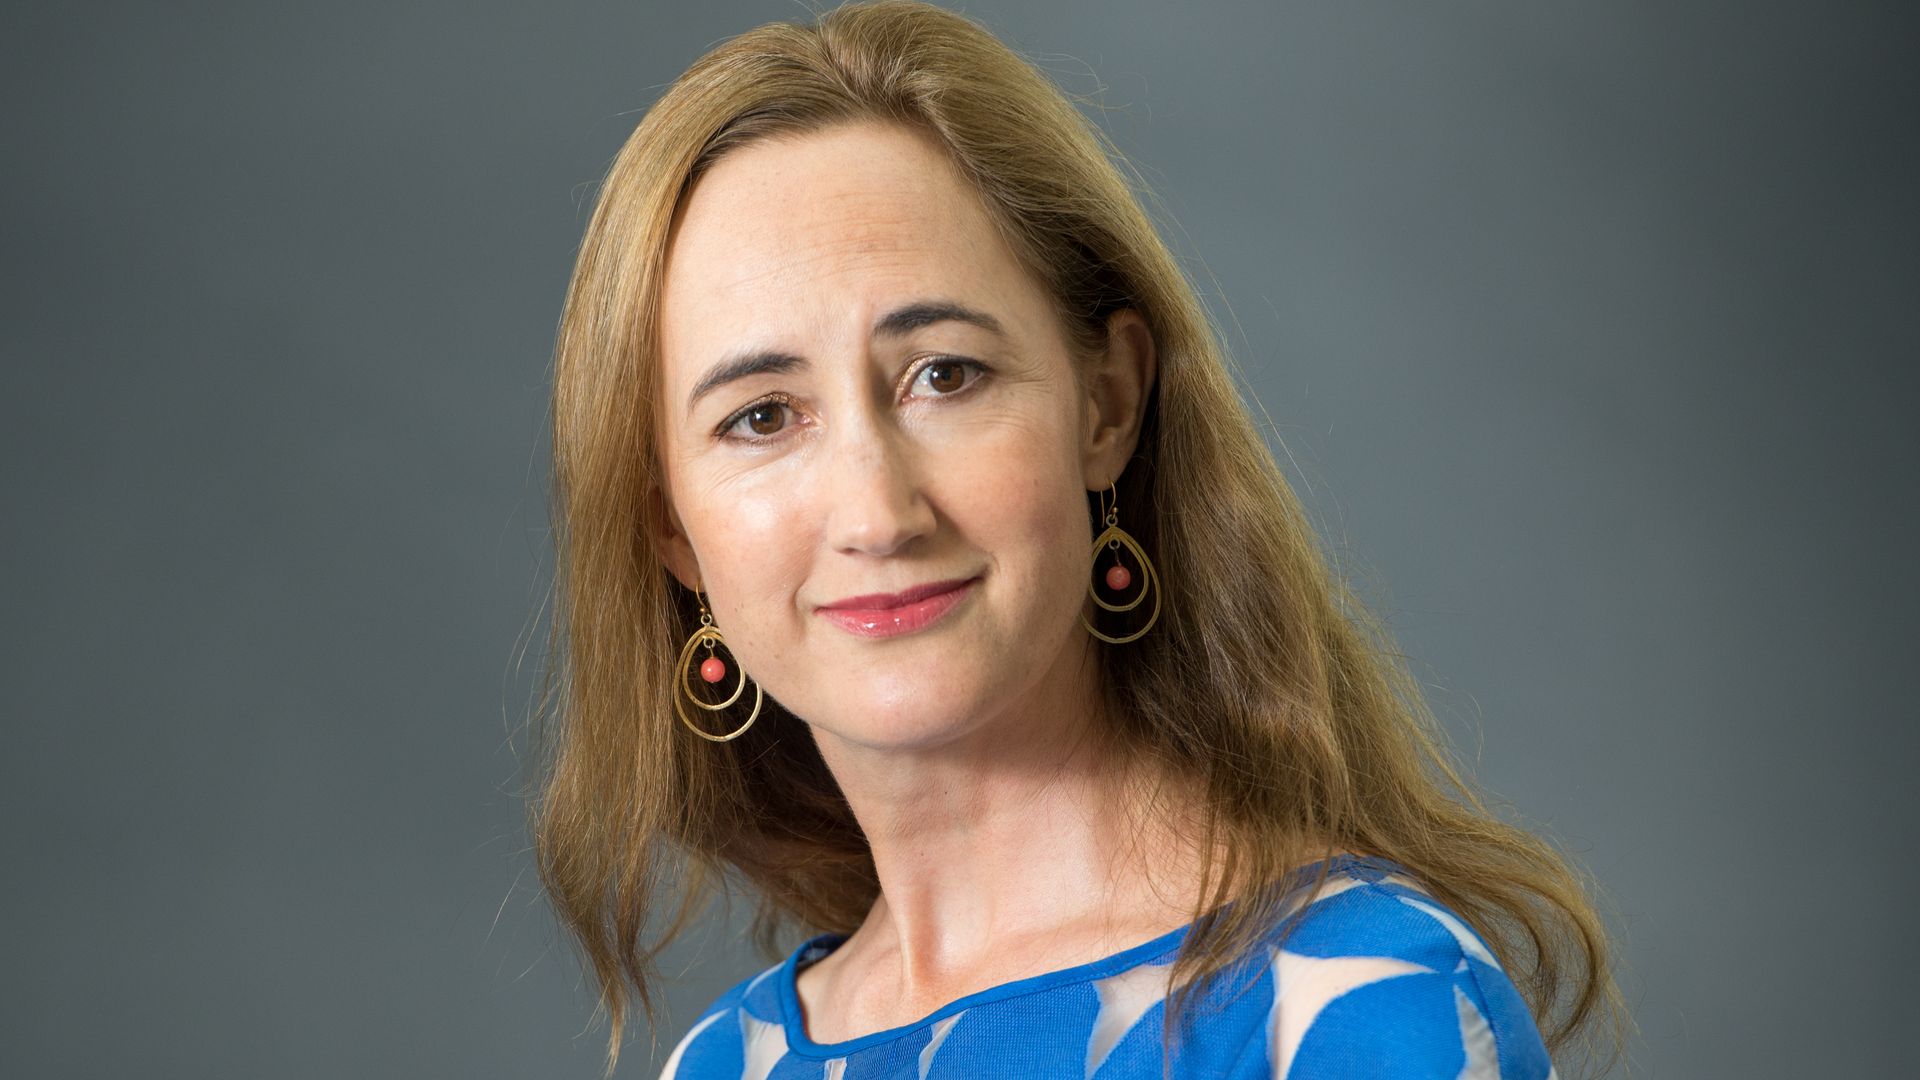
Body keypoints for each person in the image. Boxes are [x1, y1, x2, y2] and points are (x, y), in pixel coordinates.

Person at [532, 2, 1625, 1077]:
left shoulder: (1357, 1004)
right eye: (762, 416)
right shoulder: (725, 1063)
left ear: (1108, 405)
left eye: (944, 375)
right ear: (671, 527)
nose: (876, 514)